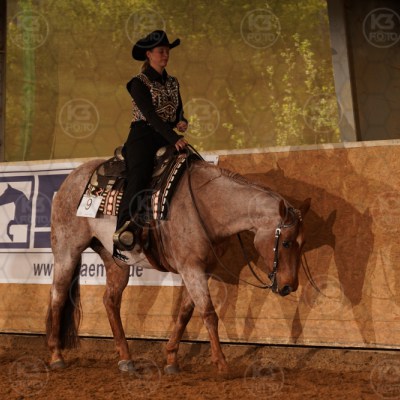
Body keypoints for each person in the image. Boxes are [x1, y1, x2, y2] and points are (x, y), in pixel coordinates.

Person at [113, 30, 188, 253]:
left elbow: (177, 111)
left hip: (166, 136)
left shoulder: (173, 82)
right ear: (149, 54)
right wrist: (174, 138)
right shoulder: (138, 83)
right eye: (161, 51)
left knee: (189, 165)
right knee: (139, 175)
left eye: (167, 51)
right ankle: (123, 231)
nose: (165, 55)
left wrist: (181, 121)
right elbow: (151, 116)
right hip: (143, 137)